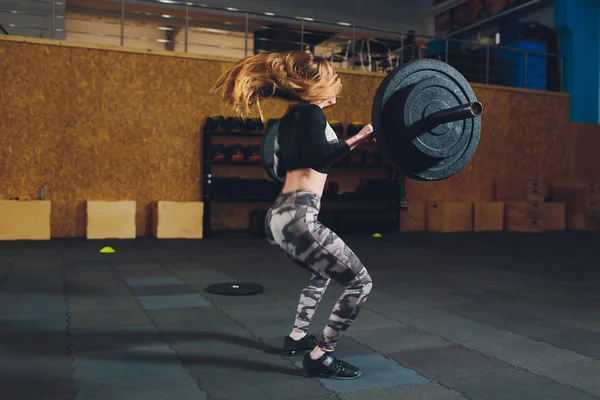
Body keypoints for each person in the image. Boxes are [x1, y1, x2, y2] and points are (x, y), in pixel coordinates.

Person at [213, 51, 375, 380]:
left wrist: (353, 141)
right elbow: (319, 154)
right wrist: (358, 137)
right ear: (316, 86)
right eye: (331, 82)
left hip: (278, 216)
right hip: (301, 216)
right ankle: (321, 356)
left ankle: (298, 337)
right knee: (360, 283)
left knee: (323, 272)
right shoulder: (311, 115)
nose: (336, 88)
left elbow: (310, 158)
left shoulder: (293, 118)